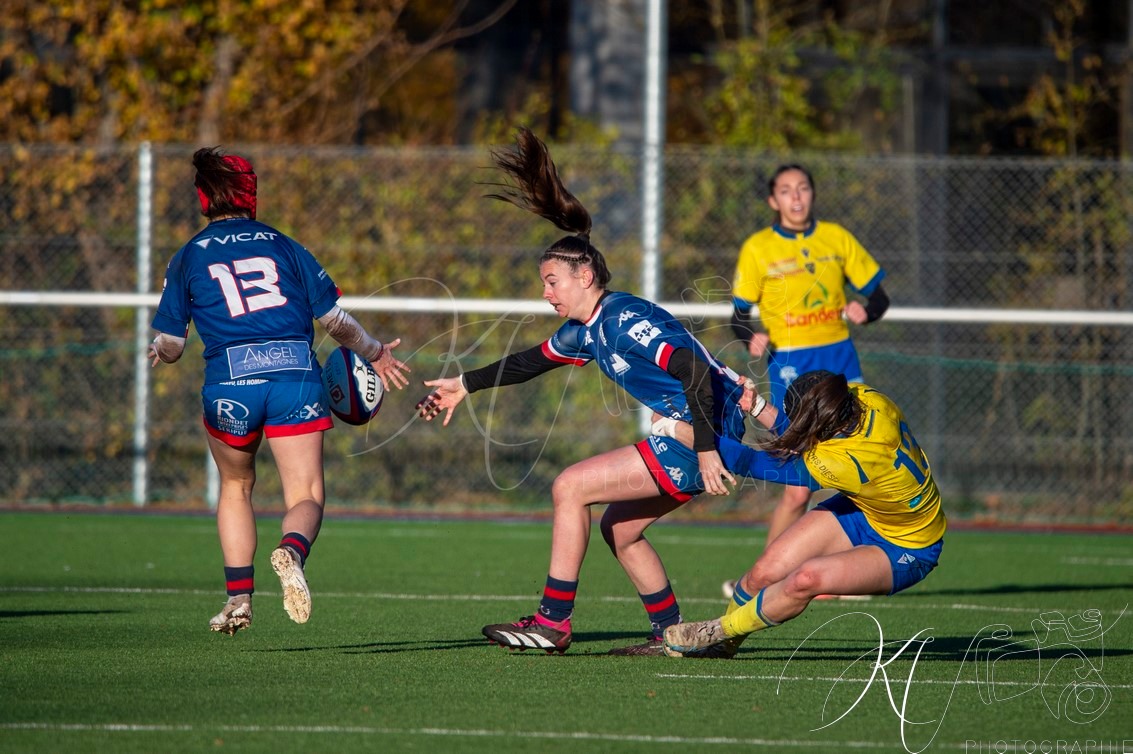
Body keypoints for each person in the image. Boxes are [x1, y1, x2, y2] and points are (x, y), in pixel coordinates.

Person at [416, 128, 756, 656]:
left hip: (698, 433)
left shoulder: (621, 319)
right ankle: (674, 635)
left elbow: (692, 368)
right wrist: (465, 383)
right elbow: (530, 362)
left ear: (586, 274)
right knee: (620, 529)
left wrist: (708, 448)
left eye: (552, 281)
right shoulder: (586, 330)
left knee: (570, 486)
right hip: (695, 433)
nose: (545, 292)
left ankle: (552, 623)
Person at [149, 146, 410, 635]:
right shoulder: (285, 245)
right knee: (305, 492)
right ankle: (291, 551)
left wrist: (158, 351)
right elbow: (335, 320)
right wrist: (376, 352)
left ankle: (238, 600)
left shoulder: (187, 256)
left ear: (204, 197)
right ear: (250, 194)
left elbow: (172, 345)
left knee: (235, 486)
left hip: (231, 384)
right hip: (295, 378)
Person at [660, 369, 946, 659]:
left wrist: (672, 428)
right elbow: (808, 432)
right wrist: (757, 406)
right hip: (869, 507)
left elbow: (748, 461)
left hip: (909, 544)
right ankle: (724, 648)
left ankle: (717, 632)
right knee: (762, 574)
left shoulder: (844, 464)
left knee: (805, 579)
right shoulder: (864, 397)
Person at [730, 165, 891, 563]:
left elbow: (879, 298)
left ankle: (857, 569)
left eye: (802, 188)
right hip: (791, 364)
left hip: (839, 359)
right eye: (786, 190)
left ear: (813, 193)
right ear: (774, 200)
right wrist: (751, 337)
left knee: (859, 467)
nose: (796, 197)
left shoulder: (836, 238)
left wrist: (867, 311)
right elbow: (738, 317)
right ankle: (764, 576)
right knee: (798, 487)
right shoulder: (758, 247)